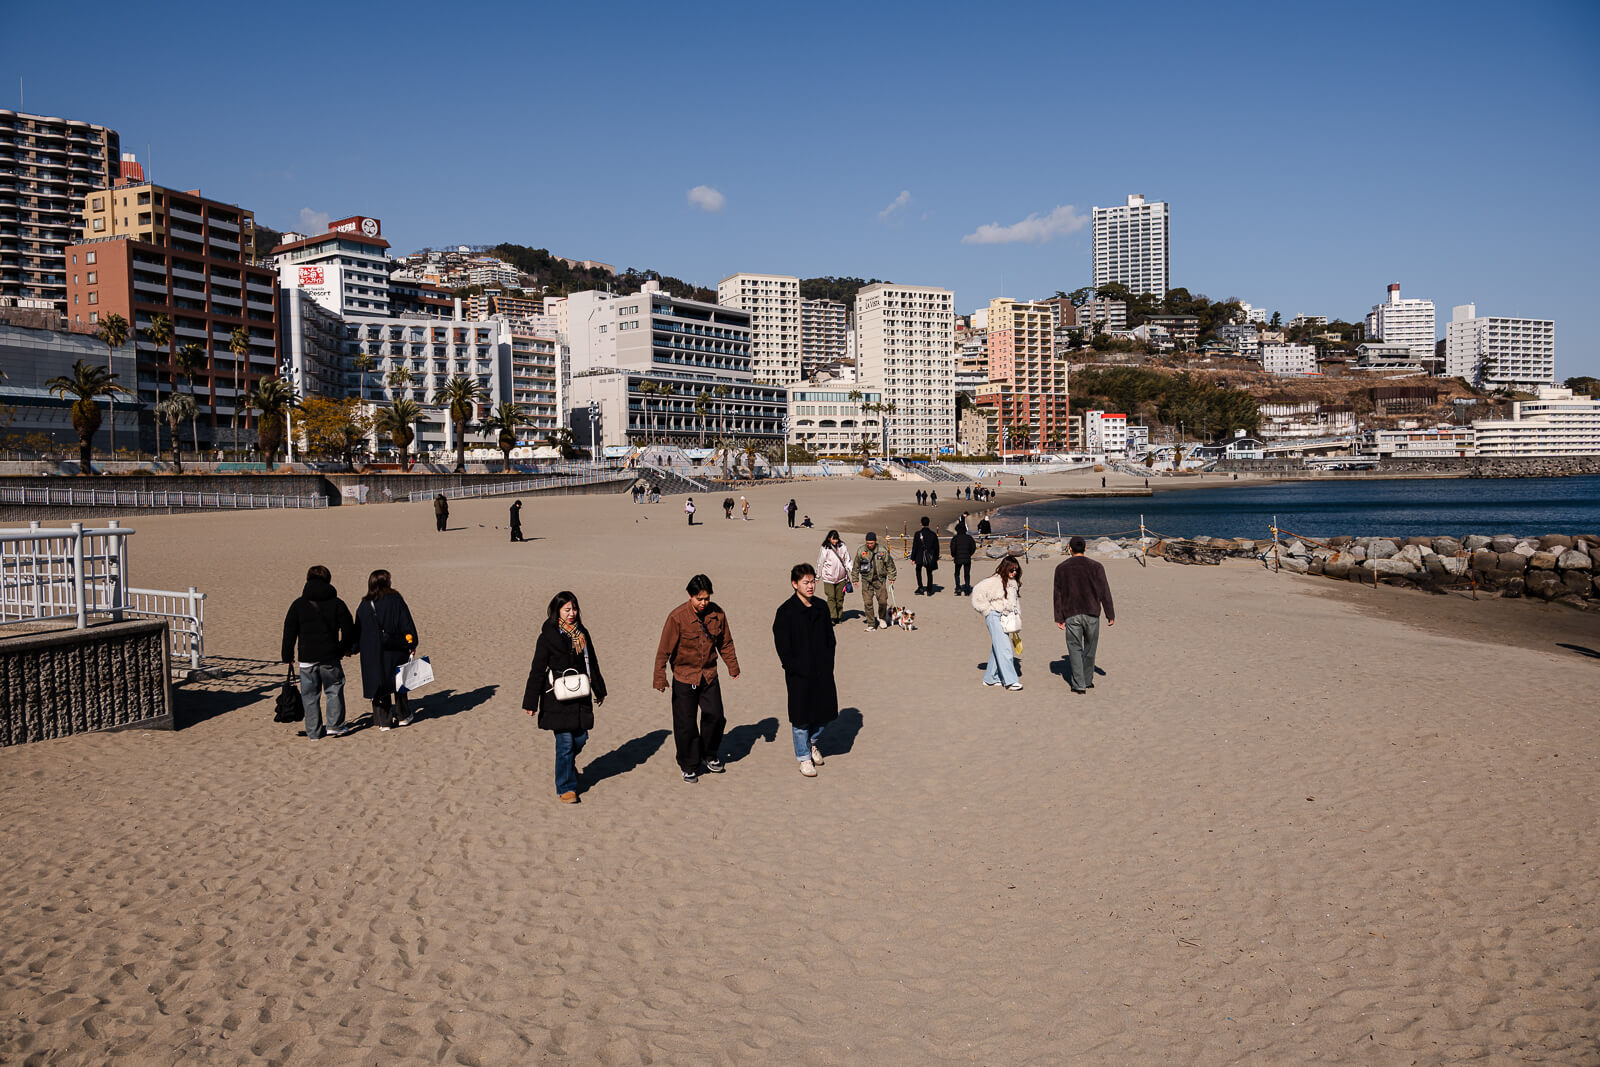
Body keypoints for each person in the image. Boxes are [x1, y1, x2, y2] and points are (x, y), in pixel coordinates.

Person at [653, 574, 741, 783]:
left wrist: (733, 666)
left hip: (709, 676)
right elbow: (664, 650)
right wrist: (659, 677)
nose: (703, 603)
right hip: (684, 677)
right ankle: (689, 764)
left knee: (716, 716)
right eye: (699, 599)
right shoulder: (677, 617)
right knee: (686, 724)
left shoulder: (718, 614)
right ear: (690, 596)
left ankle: (709, 754)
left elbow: (725, 643)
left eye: (706, 598)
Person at [524, 591, 607, 804]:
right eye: (567, 609)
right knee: (565, 743)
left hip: (580, 694)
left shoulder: (582, 634)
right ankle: (565, 787)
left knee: (581, 738)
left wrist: (599, 689)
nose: (572, 613)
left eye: (574, 609)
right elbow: (537, 669)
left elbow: (592, 663)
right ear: (557, 611)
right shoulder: (547, 636)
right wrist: (530, 702)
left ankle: (567, 766)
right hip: (556, 696)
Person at [772, 563, 838, 778]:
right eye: (805, 582)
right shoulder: (785, 612)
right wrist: (794, 668)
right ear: (794, 584)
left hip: (822, 671)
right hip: (799, 674)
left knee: (825, 713)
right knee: (801, 717)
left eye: (813, 581)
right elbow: (783, 646)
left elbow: (830, 639)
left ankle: (811, 743)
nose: (810, 586)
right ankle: (803, 757)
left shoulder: (821, 606)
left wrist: (828, 663)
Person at [281, 564, 356, 740]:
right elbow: (348, 629)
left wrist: (287, 656)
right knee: (334, 689)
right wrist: (344, 648)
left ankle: (313, 732)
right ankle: (335, 726)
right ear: (328, 579)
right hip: (330, 655)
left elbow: (289, 631)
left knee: (310, 695)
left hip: (307, 657)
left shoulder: (298, 604)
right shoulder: (337, 603)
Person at [352, 569, 420, 730]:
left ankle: (384, 721)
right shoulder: (396, 600)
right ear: (386, 582)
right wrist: (412, 642)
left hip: (372, 651)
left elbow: (358, 630)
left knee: (379, 682)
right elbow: (406, 623)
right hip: (395, 647)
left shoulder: (364, 604)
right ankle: (403, 715)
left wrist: (353, 648)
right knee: (399, 680)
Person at [1053, 535, 1116, 695]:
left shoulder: (1061, 568)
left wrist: (1059, 617)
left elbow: (1057, 594)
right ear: (1086, 548)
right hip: (1092, 612)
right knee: (1090, 648)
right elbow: (1104, 591)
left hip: (1072, 613)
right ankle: (1087, 680)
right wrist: (1110, 613)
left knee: (1074, 648)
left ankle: (1080, 684)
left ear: (1070, 549)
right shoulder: (1096, 566)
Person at [971, 555, 1024, 691]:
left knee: (998, 648)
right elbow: (977, 591)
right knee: (1005, 648)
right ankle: (1011, 681)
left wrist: (1017, 613)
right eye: (1011, 570)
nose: (1014, 573)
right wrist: (986, 610)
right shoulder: (994, 581)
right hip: (994, 616)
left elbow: (1014, 601)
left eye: (1016, 570)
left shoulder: (1013, 583)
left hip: (1006, 618)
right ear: (1004, 568)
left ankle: (990, 679)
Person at [854, 532, 897, 630]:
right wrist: (855, 579)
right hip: (866, 581)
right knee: (867, 603)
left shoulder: (882, 550)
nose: (869, 545)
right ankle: (871, 624)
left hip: (880, 580)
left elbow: (890, 565)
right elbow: (856, 566)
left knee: (883, 602)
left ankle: (882, 618)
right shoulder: (861, 551)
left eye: (871, 543)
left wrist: (891, 578)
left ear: (875, 542)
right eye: (868, 543)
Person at [816, 529, 852, 625]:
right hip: (828, 578)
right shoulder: (825, 548)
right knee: (831, 597)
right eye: (833, 539)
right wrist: (817, 576)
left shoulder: (842, 546)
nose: (835, 541)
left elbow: (847, 560)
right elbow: (820, 563)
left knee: (840, 598)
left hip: (841, 577)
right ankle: (832, 617)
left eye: (836, 539)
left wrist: (852, 570)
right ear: (829, 538)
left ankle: (839, 616)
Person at [912, 515, 940, 595]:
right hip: (930, 556)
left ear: (921, 524)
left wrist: (913, 558)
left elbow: (915, 546)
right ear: (929, 523)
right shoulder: (933, 534)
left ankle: (920, 587)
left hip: (919, 556)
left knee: (918, 570)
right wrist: (936, 557)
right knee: (929, 572)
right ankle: (929, 589)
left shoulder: (917, 534)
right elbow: (936, 547)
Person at [950, 520, 976, 597]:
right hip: (967, 558)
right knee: (967, 574)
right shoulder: (969, 538)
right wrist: (969, 554)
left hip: (958, 558)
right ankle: (967, 589)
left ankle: (958, 587)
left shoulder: (955, 538)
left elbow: (953, 548)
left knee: (957, 573)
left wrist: (954, 555)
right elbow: (973, 548)